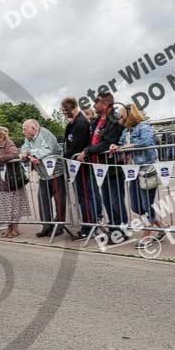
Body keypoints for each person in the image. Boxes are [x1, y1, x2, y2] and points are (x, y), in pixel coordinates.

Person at [111, 104, 166, 248]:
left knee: (146, 204)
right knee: (136, 206)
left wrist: (131, 146)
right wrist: (115, 146)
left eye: (121, 116)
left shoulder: (144, 127)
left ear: (129, 116)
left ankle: (147, 234)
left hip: (147, 170)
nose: (119, 120)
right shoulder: (126, 131)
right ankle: (160, 226)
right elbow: (121, 143)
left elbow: (147, 142)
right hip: (132, 171)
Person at [76, 92, 126, 244]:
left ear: (104, 105)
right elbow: (92, 140)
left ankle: (121, 232)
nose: (93, 106)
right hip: (100, 167)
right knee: (107, 200)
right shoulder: (96, 121)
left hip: (112, 167)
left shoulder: (115, 121)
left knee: (115, 200)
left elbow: (106, 143)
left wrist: (87, 151)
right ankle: (113, 230)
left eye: (96, 103)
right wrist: (86, 149)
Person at [0, 127, 30, 238]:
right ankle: (9, 228)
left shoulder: (9, 143)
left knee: (14, 205)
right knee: (4, 206)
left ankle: (15, 228)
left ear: (2, 136)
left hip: (11, 180)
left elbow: (13, 154)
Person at [21, 118, 65, 237]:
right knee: (42, 200)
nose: (23, 132)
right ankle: (47, 226)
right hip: (43, 175)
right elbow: (24, 148)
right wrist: (26, 153)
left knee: (59, 201)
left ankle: (59, 226)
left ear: (33, 128)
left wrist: (31, 153)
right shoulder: (28, 138)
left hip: (56, 173)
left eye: (24, 129)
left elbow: (49, 150)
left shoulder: (45, 134)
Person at [62, 97, 99, 239]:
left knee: (86, 197)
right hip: (75, 165)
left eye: (65, 111)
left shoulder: (81, 123)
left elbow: (76, 147)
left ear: (72, 108)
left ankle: (89, 227)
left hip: (81, 165)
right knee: (83, 196)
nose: (64, 114)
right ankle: (88, 225)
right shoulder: (73, 123)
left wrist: (65, 156)